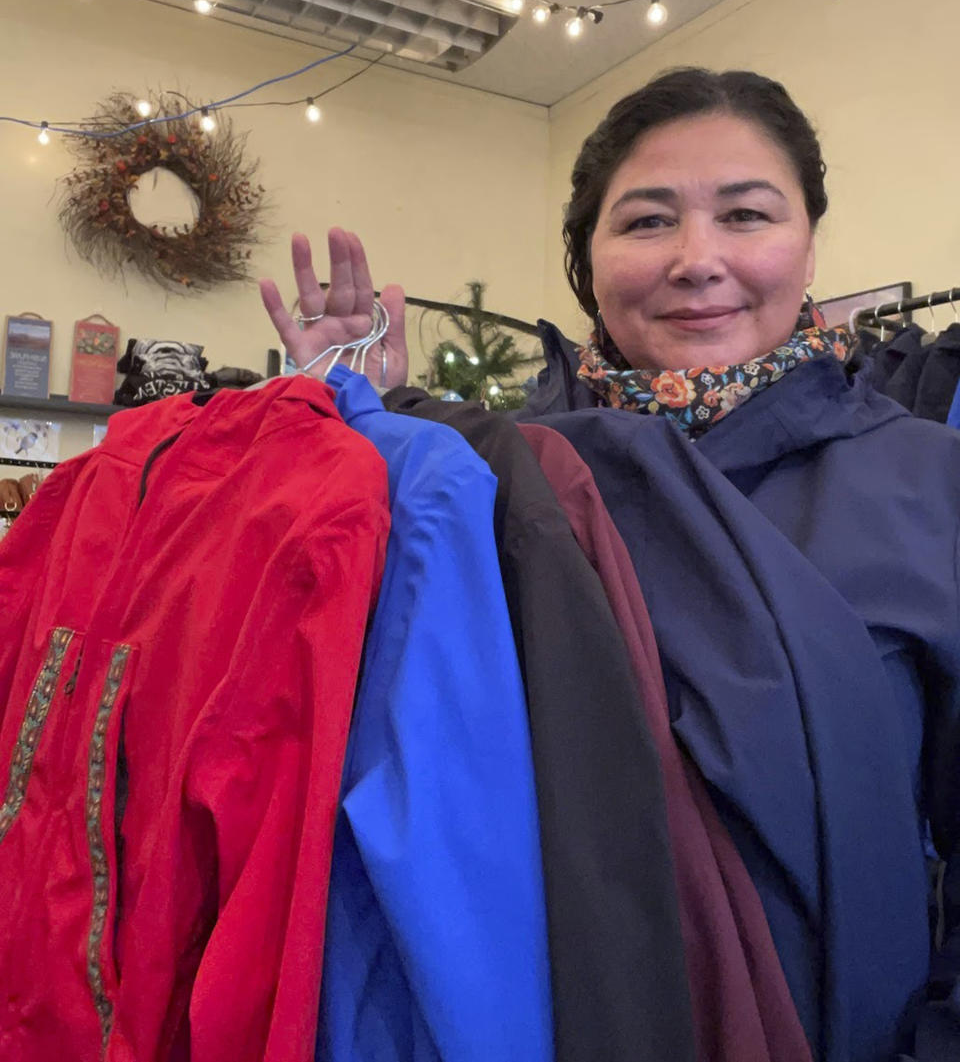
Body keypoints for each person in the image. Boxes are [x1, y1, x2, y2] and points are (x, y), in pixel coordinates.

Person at [261, 67, 960, 1060]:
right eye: (645, 223)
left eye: (748, 214)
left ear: (808, 245)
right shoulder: (494, 490)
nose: (697, 260)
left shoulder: (931, 486)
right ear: (585, 262)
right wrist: (350, 444)